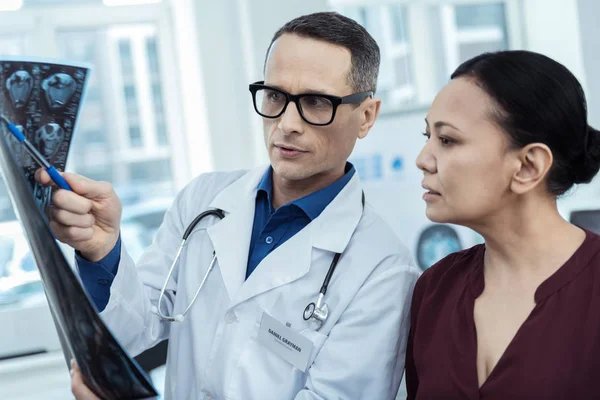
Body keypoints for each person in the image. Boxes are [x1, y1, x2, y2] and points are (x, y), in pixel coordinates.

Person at [37, 12, 420, 400]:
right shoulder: (204, 200)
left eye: (316, 102)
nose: (286, 123)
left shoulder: (383, 272)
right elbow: (134, 328)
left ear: (366, 116)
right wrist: (102, 249)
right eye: (274, 96)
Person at [405, 50, 600, 399]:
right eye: (427, 137)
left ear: (528, 166)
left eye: (447, 140)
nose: (423, 160)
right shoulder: (434, 290)